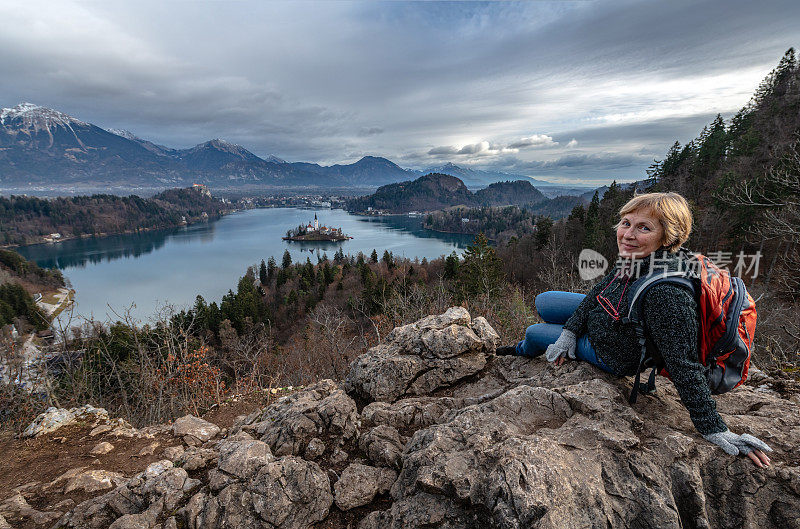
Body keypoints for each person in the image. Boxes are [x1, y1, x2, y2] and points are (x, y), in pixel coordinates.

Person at [496, 192, 772, 467]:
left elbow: (684, 364)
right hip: (613, 317)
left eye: (644, 228)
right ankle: (565, 334)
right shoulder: (639, 257)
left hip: (611, 350)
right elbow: (604, 289)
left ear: (668, 236)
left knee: (534, 333)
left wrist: (714, 428)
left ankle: (518, 351)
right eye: (626, 222)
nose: (627, 234)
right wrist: (570, 331)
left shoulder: (666, 294)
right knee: (544, 301)